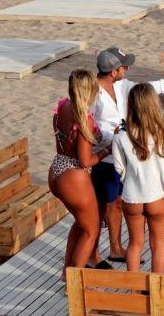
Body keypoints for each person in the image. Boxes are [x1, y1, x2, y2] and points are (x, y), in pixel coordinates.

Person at [89, 47, 164, 269]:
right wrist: (109, 140)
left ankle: (116, 248)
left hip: (123, 153)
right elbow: (87, 125)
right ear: (113, 71)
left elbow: (145, 90)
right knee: (102, 208)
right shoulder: (92, 93)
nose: (127, 69)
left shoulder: (122, 85)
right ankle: (93, 254)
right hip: (104, 156)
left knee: (118, 203)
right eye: (124, 66)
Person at [113, 83, 164, 274]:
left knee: (135, 243)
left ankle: (133, 288)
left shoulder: (121, 136)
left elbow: (119, 168)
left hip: (132, 196)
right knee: (158, 244)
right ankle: (157, 288)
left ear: (131, 105)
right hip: (157, 194)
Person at [49, 70, 110, 281]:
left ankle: (67, 275)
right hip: (74, 176)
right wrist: (106, 151)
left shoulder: (62, 107)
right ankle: (75, 284)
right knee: (91, 231)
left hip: (57, 168)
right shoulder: (84, 119)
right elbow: (85, 161)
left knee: (80, 224)